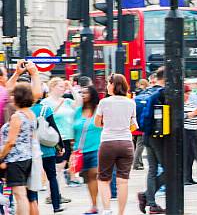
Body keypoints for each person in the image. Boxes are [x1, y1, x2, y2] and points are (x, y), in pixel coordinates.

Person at [95, 74, 137, 215]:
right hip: (126, 143)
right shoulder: (131, 102)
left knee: (103, 179)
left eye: (108, 83)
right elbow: (134, 126)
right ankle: (121, 213)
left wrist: (107, 123)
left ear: (114, 85)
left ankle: (107, 210)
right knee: (123, 181)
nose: (107, 85)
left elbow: (97, 123)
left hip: (108, 143)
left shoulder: (104, 102)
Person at [0, 82, 36, 215]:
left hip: (15, 159)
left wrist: (1, 156)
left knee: (19, 194)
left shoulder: (17, 116)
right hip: (26, 157)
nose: (11, 97)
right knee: (22, 193)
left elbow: (10, 141)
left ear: (18, 97)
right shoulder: (30, 114)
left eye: (13, 95)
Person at [41, 77, 82, 187]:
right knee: (58, 166)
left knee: (60, 165)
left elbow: (80, 103)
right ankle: (53, 191)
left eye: (64, 87)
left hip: (68, 138)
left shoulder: (67, 101)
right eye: (60, 86)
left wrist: (71, 88)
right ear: (52, 87)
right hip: (54, 138)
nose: (63, 89)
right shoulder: (45, 102)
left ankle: (55, 191)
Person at [137, 68, 167, 214]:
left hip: (148, 136)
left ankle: (151, 203)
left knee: (153, 169)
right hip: (158, 138)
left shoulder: (148, 93)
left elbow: (143, 119)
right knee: (170, 170)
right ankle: (148, 197)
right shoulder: (160, 94)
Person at [72, 86, 102, 214]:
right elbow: (74, 131)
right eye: (82, 93)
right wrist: (73, 150)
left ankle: (97, 205)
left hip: (97, 148)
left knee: (94, 175)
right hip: (81, 151)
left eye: (86, 93)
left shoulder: (99, 110)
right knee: (88, 179)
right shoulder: (78, 111)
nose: (83, 95)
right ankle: (94, 204)